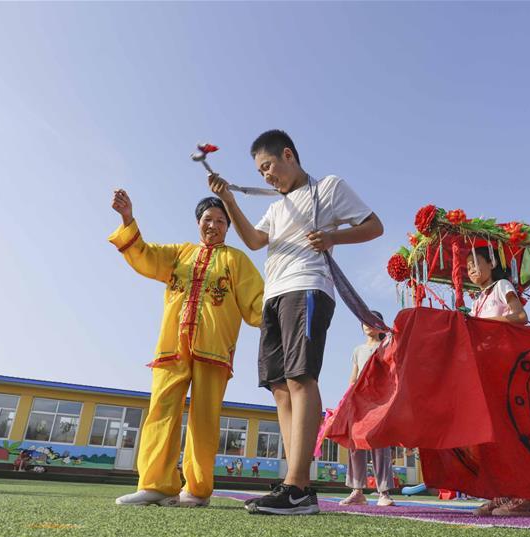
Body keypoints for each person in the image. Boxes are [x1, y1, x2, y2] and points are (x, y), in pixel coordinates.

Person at [208, 130, 383, 516]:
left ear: (288, 155)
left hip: (307, 287)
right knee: (279, 388)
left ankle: (298, 486)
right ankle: (295, 483)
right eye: (260, 170)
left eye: (268, 166)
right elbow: (254, 241)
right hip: (274, 294)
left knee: (300, 378)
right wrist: (228, 201)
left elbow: (374, 226)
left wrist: (332, 236)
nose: (265, 175)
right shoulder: (275, 207)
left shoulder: (329, 188)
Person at [110, 190, 264, 508]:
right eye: (208, 219)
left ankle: (196, 489)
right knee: (161, 411)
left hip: (215, 349)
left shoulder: (236, 260)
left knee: (204, 418)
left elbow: (257, 301)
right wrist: (128, 219)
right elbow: (146, 255)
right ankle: (156, 484)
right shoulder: (180, 254)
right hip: (172, 346)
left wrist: (280, 318)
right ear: (198, 222)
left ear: (228, 227)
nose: (214, 225)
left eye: (221, 221)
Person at [465, 246, 530, 517]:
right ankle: (503, 492)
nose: (471, 269)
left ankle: (526, 496)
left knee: (512, 428)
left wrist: (486, 324)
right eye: (467, 267)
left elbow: (520, 316)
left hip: (508, 365)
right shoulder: (476, 300)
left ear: (492, 262)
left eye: (476, 262)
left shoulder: (501, 285)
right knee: (494, 433)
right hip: (487, 368)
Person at [340, 311, 396, 507]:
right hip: (359, 402)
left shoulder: (387, 346)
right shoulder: (358, 350)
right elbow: (353, 378)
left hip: (380, 401)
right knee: (355, 445)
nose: (366, 325)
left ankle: (384, 492)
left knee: (380, 445)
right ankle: (357, 491)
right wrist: (347, 400)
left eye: (371, 321)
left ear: (380, 325)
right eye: (363, 321)